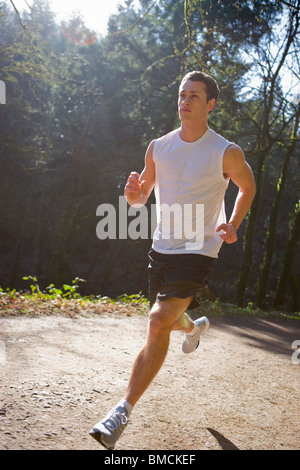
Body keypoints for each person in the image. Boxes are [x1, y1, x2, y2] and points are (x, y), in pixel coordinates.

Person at [89, 71, 256, 449]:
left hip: (199, 248)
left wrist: (233, 222)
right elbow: (139, 197)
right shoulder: (158, 147)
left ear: (210, 104)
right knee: (167, 320)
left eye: (194, 96)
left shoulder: (225, 151)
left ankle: (120, 412)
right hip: (162, 248)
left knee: (157, 319)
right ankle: (194, 327)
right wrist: (132, 192)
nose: (186, 100)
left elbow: (248, 186)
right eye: (182, 94)